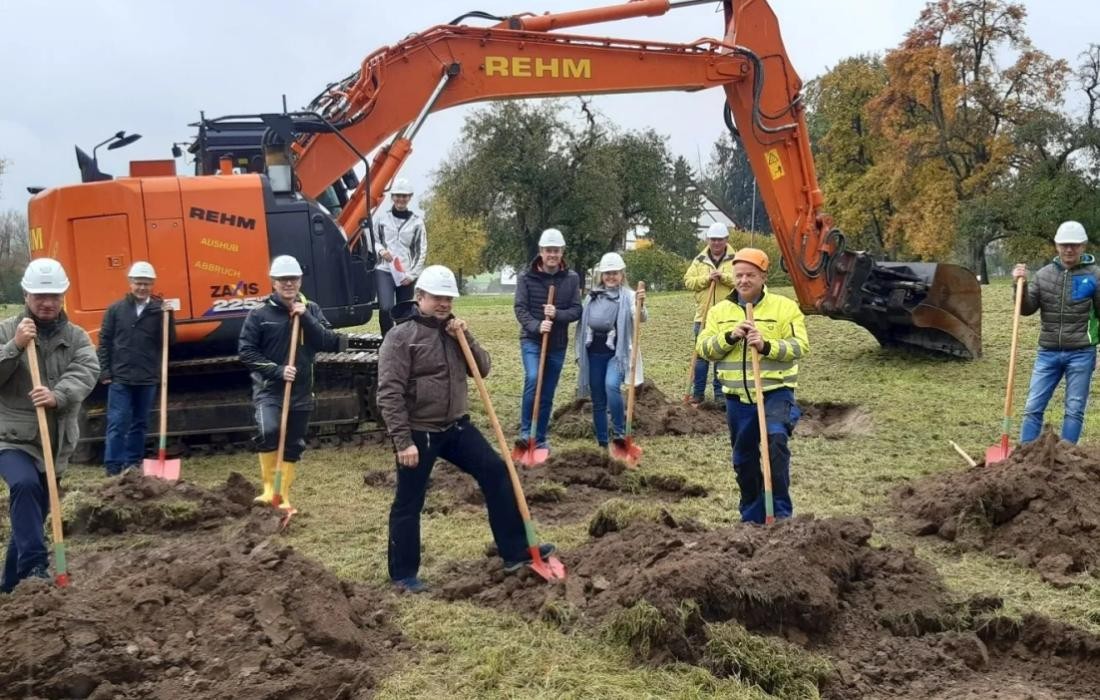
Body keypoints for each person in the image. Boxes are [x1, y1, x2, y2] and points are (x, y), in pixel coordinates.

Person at [378, 265, 554, 593]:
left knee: (497, 472)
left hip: (457, 426)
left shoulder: (454, 331)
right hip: (420, 432)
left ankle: (515, 551)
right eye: (437, 298)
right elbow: (388, 393)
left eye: (449, 298)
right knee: (409, 500)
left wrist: (464, 336)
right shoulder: (401, 337)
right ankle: (403, 575)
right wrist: (403, 442)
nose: (444, 304)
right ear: (419, 297)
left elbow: (483, 369)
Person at [0, 258, 99, 593]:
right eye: (40, 295)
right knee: (24, 486)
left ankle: (12, 586)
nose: (47, 302)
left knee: (34, 513)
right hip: (10, 437)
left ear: (63, 296)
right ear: (26, 295)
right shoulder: (5, 330)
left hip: (55, 440)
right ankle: (35, 569)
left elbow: (87, 371)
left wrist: (57, 395)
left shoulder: (76, 337)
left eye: (54, 295)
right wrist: (14, 347)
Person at [696, 248, 808, 524]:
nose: (744, 280)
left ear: (763, 276)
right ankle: (752, 517)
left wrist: (766, 345)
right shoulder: (719, 311)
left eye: (750, 275)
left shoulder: (785, 308)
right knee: (744, 460)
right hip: (737, 399)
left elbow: (800, 346)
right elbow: (703, 348)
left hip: (775, 392)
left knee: (775, 441)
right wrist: (730, 337)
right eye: (739, 275)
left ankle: (780, 514)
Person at [238, 255, 347, 510]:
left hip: (301, 391)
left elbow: (330, 342)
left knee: (293, 443)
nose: (289, 284)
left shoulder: (312, 309)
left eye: (293, 279)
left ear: (300, 281)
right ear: (273, 282)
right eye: (283, 280)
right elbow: (247, 352)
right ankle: (268, 489)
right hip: (270, 390)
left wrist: (306, 317)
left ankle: (282, 494)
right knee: (269, 432)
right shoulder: (259, 314)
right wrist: (277, 371)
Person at [1014, 220, 1100, 444]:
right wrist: (1018, 286)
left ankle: (1068, 459)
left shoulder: (1095, 276)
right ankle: (1024, 458)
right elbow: (1026, 309)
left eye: (1074, 245)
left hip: (1082, 352)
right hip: (1048, 352)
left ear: (1083, 246)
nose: (1069, 249)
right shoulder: (1043, 275)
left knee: (1074, 409)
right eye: (1064, 245)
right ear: (1056, 246)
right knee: (1033, 406)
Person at [97, 261, 176, 476]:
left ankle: (133, 464)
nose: (142, 288)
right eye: (138, 283)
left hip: (147, 376)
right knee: (118, 422)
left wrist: (170, 318)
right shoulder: (116, 310)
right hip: (120, 377)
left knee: (140, 423)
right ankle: (114, 467)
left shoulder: (159, 310)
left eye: (147, 284)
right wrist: (104, 372)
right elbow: (104, 341)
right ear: (130, 283)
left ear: (153, 285)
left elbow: (169, 342)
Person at [513, 228, 582, 454]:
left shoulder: (571, 278)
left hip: (557, 344)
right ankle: (525, 433)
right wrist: (536, 325)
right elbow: (520, 309)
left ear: (562, 252)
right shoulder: (526, 277)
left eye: (556, 250)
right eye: (548, 250)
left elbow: (576, 310)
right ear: (541, 252)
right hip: (532, 340)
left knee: (548, 392)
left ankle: (540, 439)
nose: (552, 254)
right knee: (533, 379)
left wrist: (557, 314)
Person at [575, 252, 647, 451]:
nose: (611, 277)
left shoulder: (630, 296)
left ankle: (619, 433)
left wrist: (641, 304)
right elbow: (581, 325)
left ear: (622, 274)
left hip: (618, 354)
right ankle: (602, 442)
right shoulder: (592, 297)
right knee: (598, 398)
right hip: (593, 353)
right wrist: (579, 354)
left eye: (614, 273)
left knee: (611, 386)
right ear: (601, 275)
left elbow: (640, 318)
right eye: (607, 273)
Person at [683, 222, 736, 405]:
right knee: (701, 357)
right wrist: (707, 279)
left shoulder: (735, 259)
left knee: (721, 356)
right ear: (708, 240)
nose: (716, 243)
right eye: (713, 240)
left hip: (726, 317)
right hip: (702, 316)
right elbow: (688, 282)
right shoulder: (699, 260)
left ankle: (720, 396)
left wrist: (724, 277)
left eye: (720, 240)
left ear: (726, 240)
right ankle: (698, 394)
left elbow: (741, 281)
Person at [371, 177, 428, 336]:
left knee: (403, 310)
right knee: (386, 307)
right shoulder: (382, 219)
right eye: (397, 195)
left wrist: (412, 275)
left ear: (409, 197)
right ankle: (387, 341)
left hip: (405, 272)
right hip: (384, 270)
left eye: (404, 196)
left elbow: (420, 250)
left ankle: (402, 342)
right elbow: (374, 240)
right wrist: (381, 251)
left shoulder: (417, 222)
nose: (400, 199)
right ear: (392, 197)